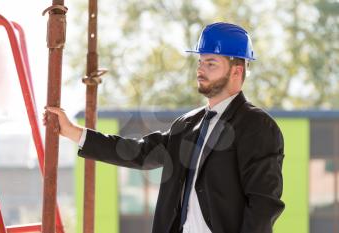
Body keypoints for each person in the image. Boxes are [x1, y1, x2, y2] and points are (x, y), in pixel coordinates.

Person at [44, 22, 285, 233]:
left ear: (237, 71)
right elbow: (137, 152)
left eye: (211, 63)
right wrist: (72, 131)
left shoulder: (258, 127)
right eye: (200, 62)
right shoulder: (187, 124)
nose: (200, 70)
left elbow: (263, 205)